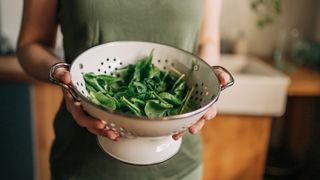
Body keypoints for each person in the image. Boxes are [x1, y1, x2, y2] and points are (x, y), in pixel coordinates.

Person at [17, 0, 226, 179]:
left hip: (179, 166)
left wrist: (207, 79)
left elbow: (208, 41)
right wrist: (62, 73)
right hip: (82, 164)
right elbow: (31, 44)